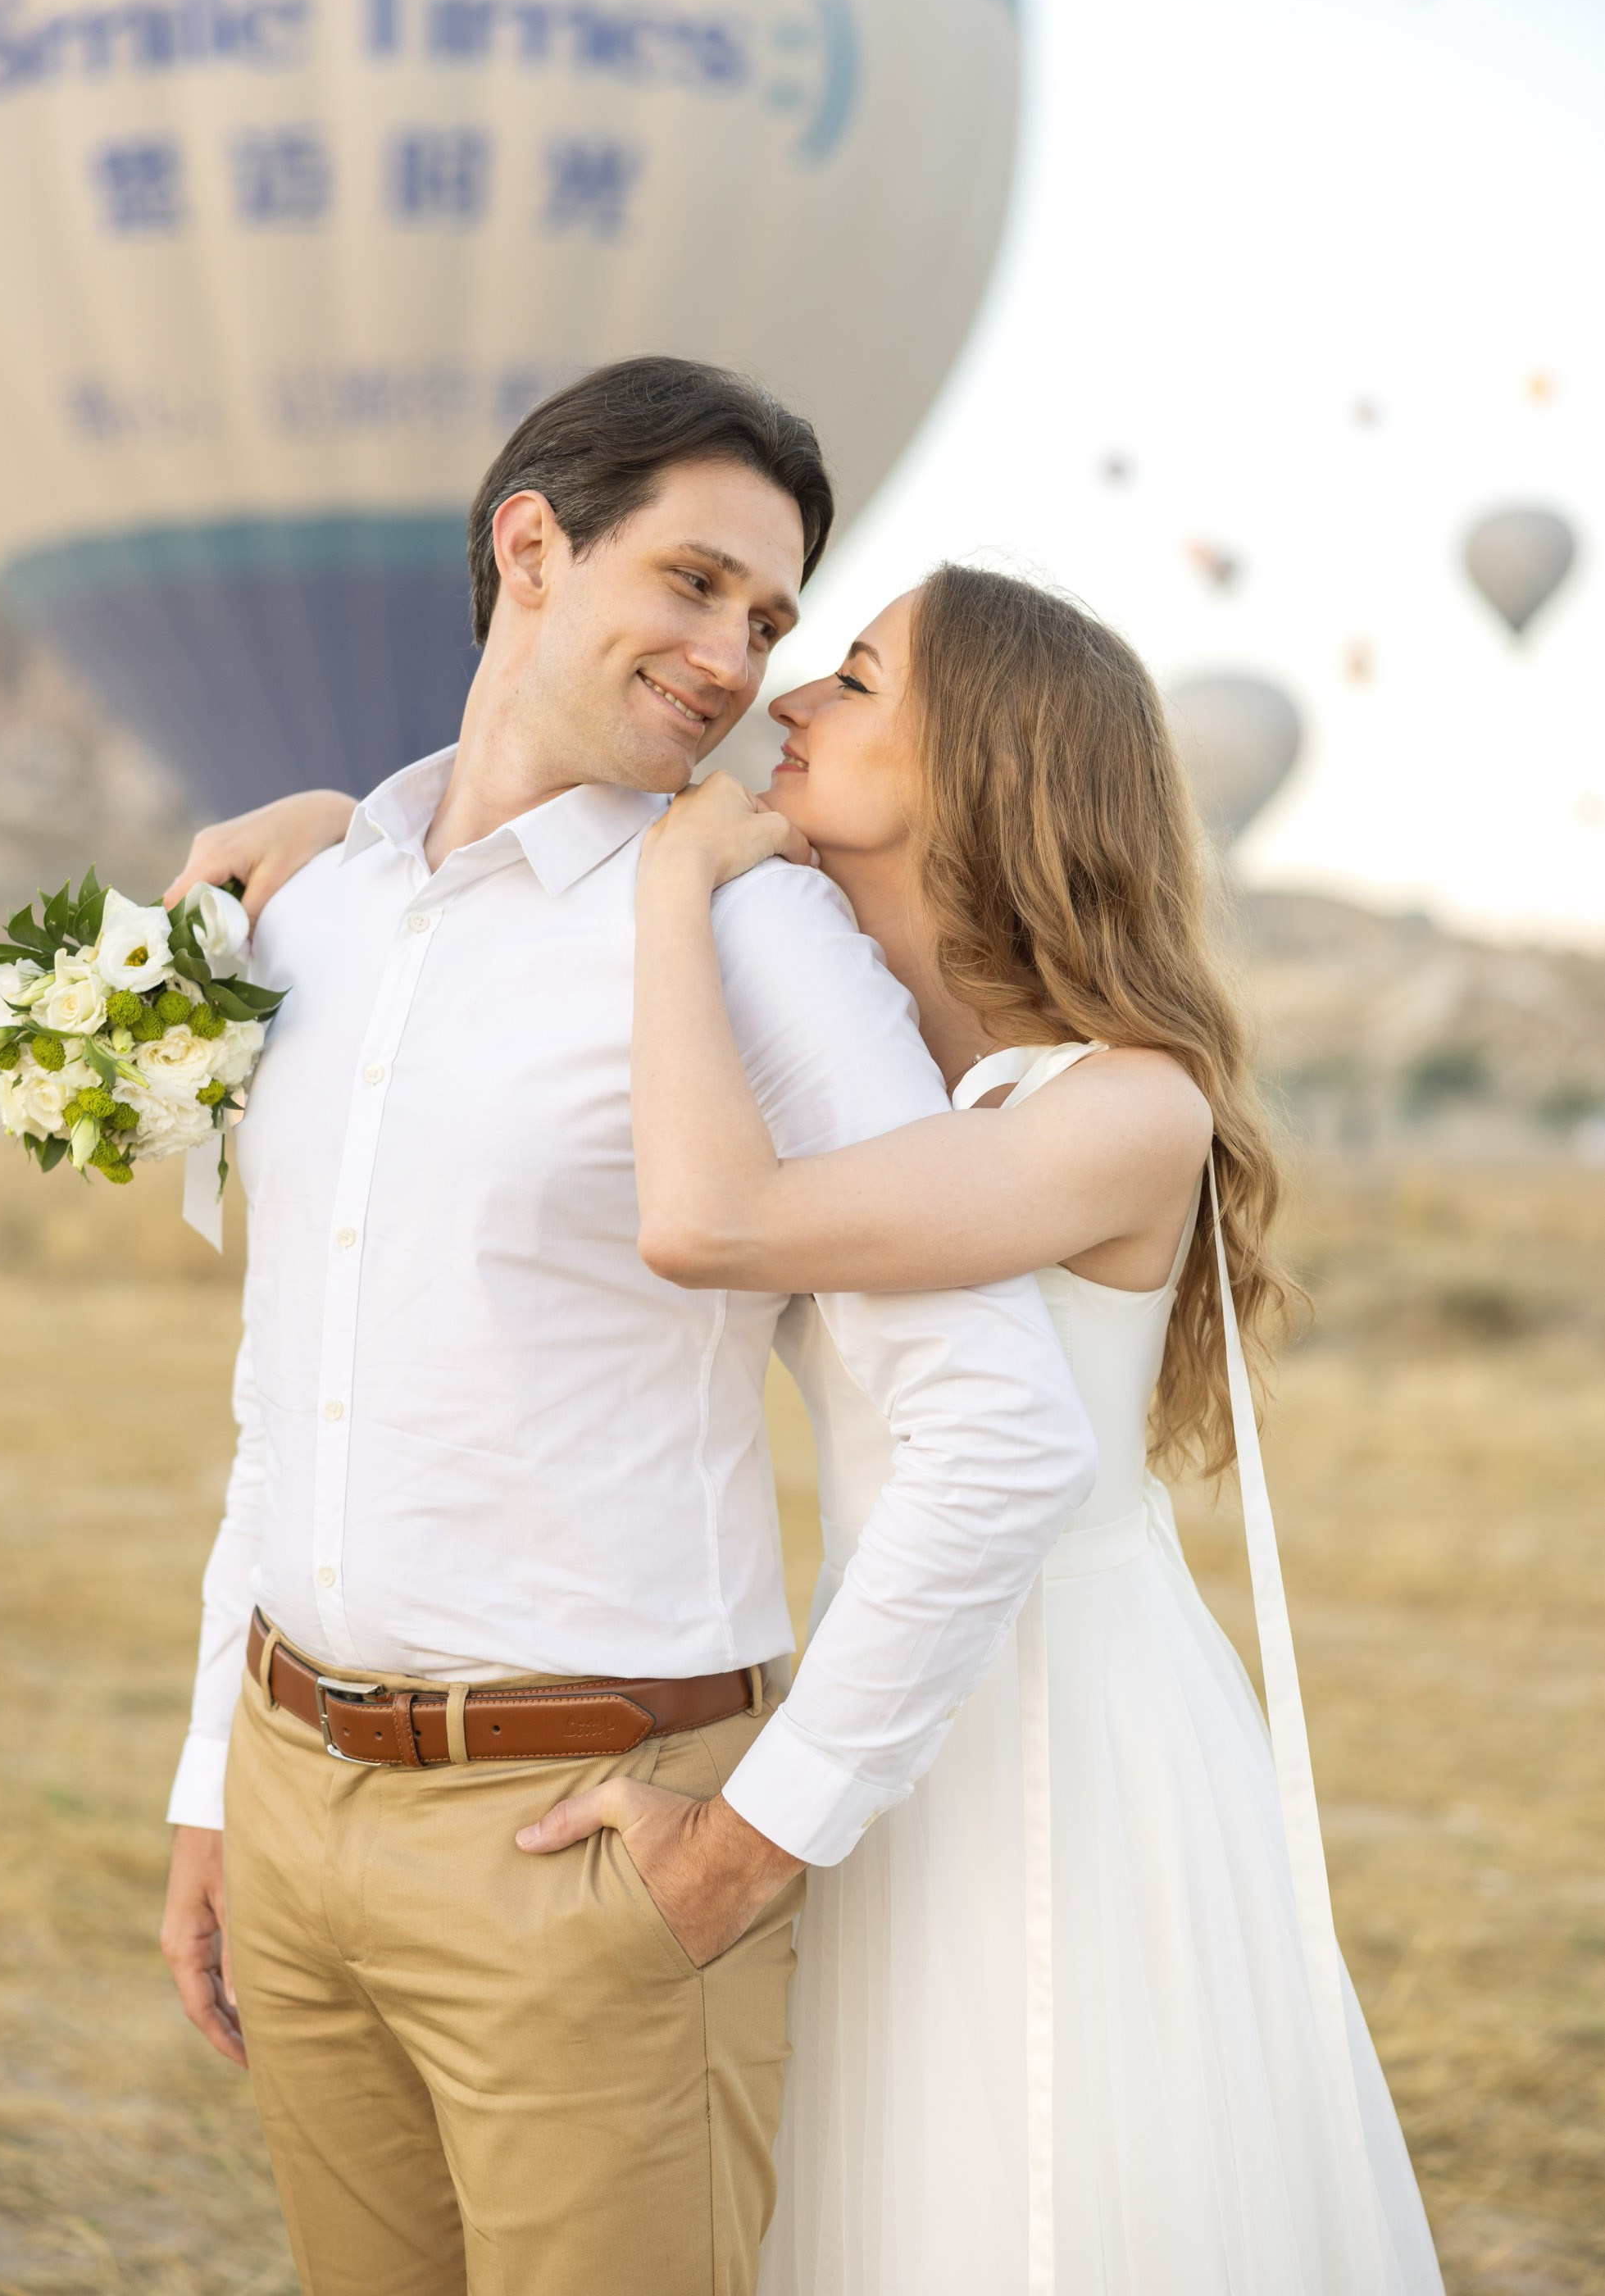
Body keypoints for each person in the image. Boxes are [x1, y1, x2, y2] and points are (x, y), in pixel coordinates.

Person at [207, 558, 1448, 2294]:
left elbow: (708, 1222)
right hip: (874, 1690)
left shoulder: (1121, 1109)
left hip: (1042, 1731)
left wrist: (669, 887)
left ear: (988, 768)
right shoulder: (878, 1048)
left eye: (851, 679)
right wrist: (344, 823)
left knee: (1023, 2187)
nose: (785, 699)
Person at [157, 357, 1095, 2296]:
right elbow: (290, 1391)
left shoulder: (747, 941)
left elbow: (995, 1429)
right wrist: (206, 1787)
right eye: (691, 583)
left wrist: (750, 1846)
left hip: (582, 1846)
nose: (735, 656)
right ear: (528, 548)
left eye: (769, 621)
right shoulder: (318, 906)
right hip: (291, 1789)